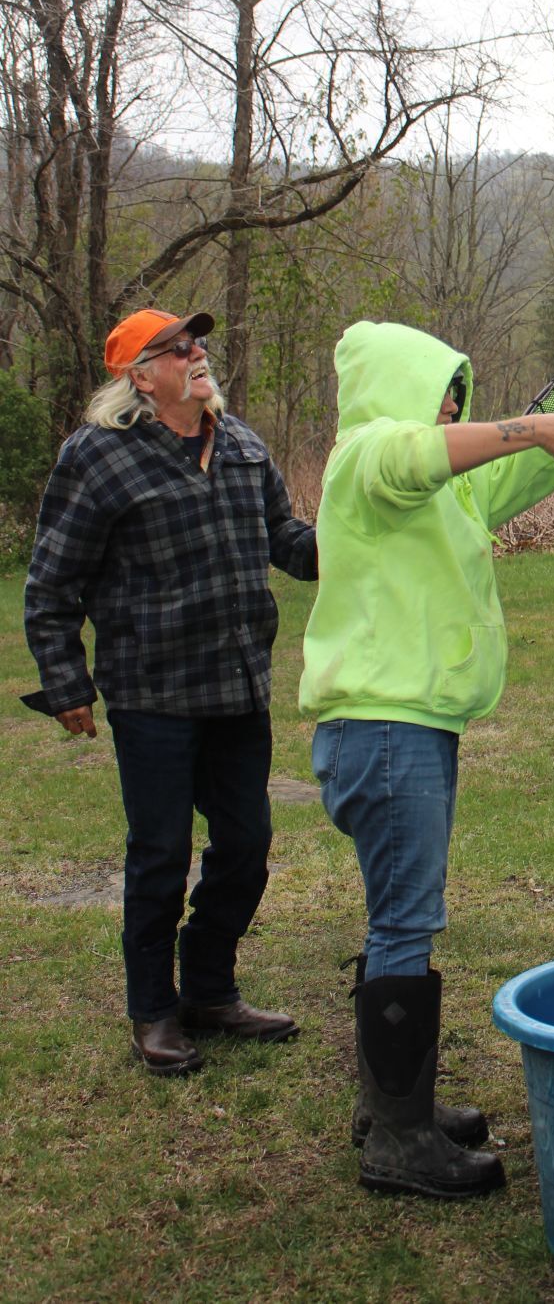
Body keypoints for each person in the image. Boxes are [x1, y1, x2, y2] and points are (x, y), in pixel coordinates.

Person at [299, 320, 554, 1200]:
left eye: (456, 389)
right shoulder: (364, 457)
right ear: (396, 386)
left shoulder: (439, 487)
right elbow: (418, 450)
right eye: (439, 386)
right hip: (385, 729)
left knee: (395, 918)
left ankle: (389, 1108)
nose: (451, 402)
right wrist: (529, 425)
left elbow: (510, 469)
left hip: (407, 727)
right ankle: (398, 1142)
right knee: (405, 921)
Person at [23, 308, 317, 1076]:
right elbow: (53, 580)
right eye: (178, 349)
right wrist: (65, 681)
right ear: (139, 376)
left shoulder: (243, 442)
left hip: (239, 684)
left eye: (200, 344)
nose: (198, 355)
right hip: (152, 692)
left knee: (247, 846)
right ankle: (154, 1009)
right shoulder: (97, 457)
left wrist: (354, 535)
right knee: (159, 855)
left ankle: (209, 989)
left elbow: (285, 538)